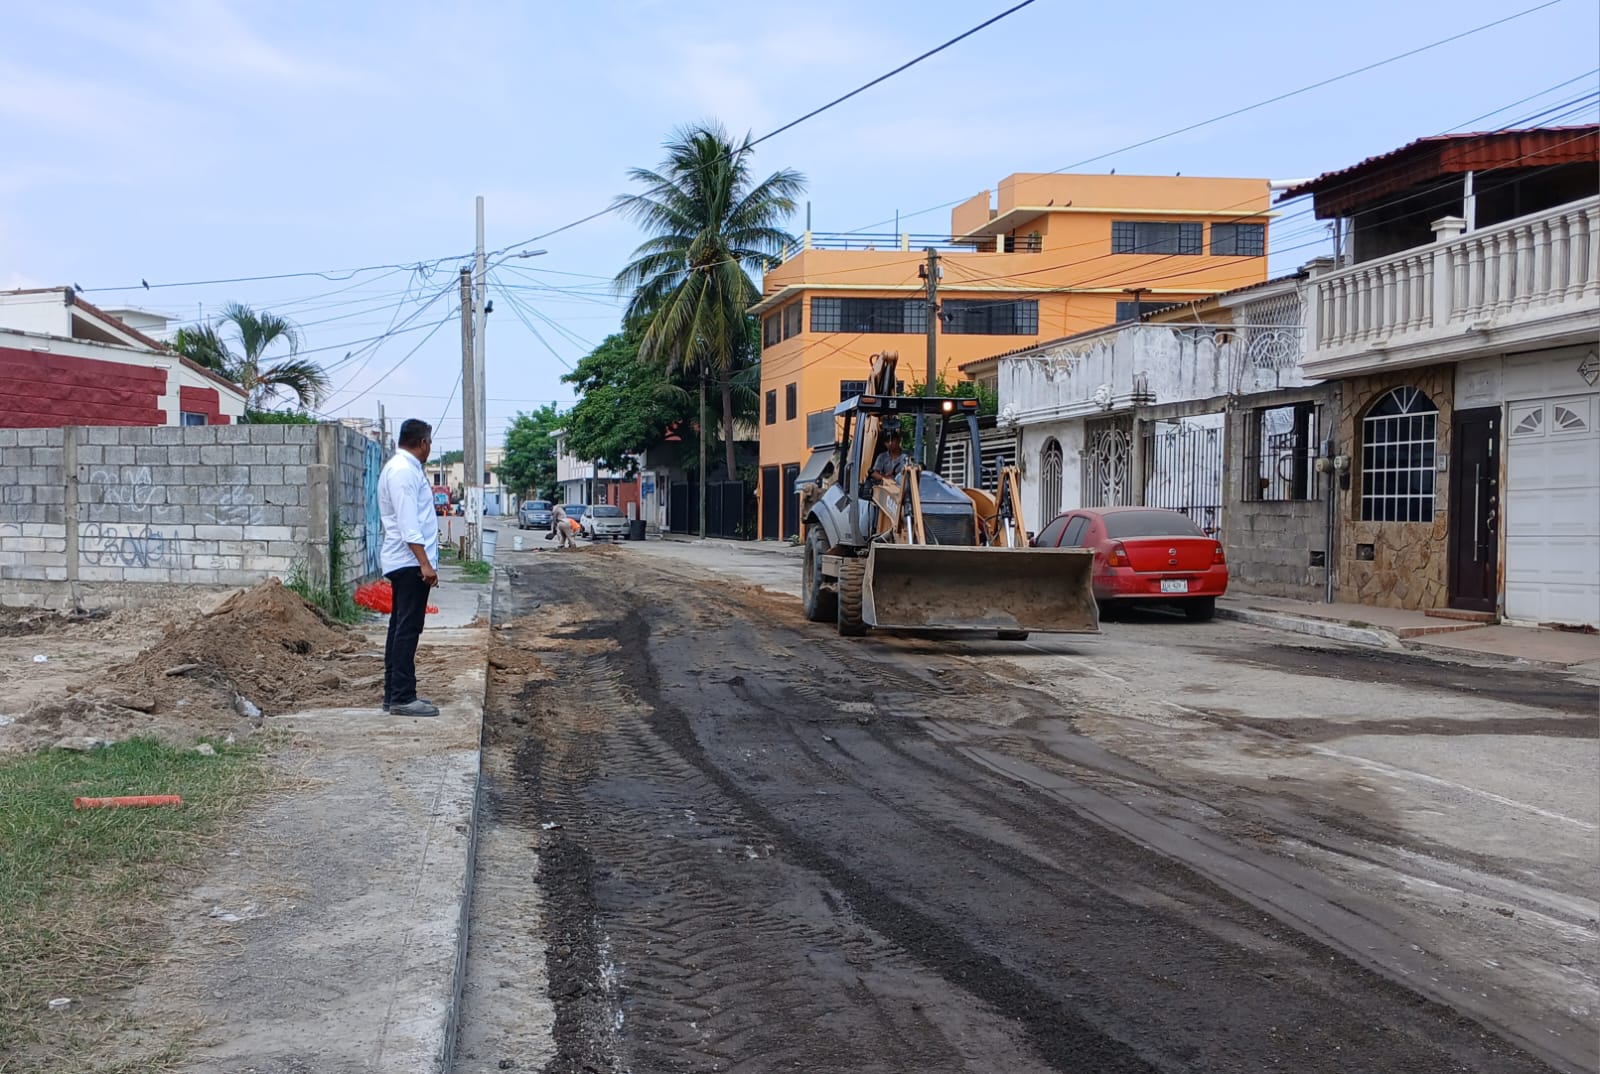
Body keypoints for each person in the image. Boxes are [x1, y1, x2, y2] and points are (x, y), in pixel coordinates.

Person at [378, 419, 441, 717]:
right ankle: (402, 697)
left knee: (400, 627)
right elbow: (408, 524)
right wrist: (425, 564)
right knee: (407, 629)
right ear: (423, 442)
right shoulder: (403, 471)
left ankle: (396, 693)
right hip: (409, 562)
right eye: (430, 442)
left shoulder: (404, 468)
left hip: (407, 560)